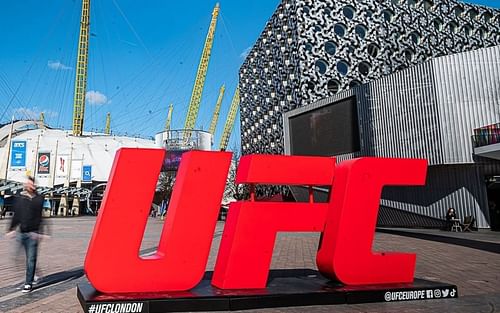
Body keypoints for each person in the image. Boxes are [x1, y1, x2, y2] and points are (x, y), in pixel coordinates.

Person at [5, 176, 45, 293]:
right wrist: (11, 229)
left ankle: (28, 283)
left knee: (30, 259)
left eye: (30, 184)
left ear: (34, 186)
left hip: (33, 234)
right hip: (21, 233)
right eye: (27, 184)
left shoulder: (39, 199)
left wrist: (41, 232)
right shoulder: (19, 199)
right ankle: (34, 273)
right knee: (17, 258)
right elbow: (16, 215)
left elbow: (40, 217)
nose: (28, 186)